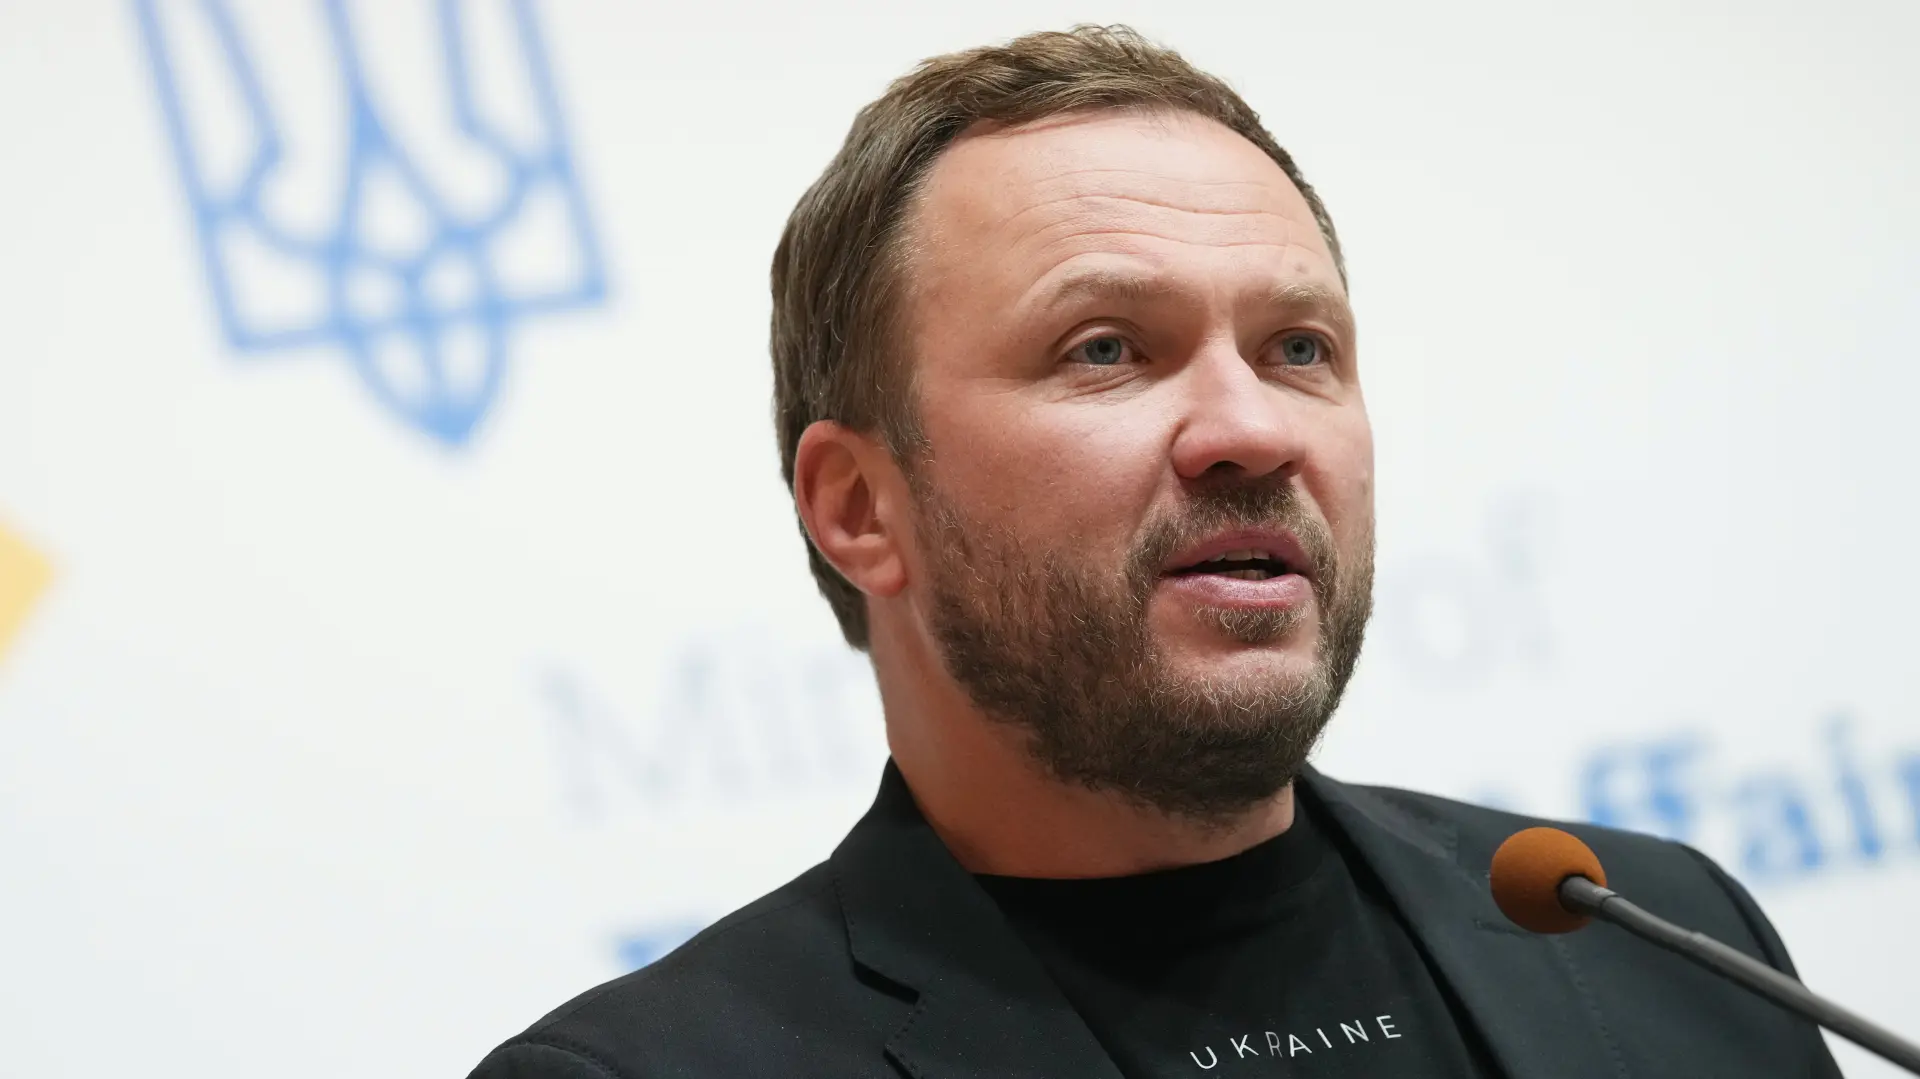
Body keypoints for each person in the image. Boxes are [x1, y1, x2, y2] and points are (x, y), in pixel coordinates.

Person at [471, 26, 1841, 1079]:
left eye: (1297, 347)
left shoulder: (1662, 933)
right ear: (859, 508)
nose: (1250, 428)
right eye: (1106, 349)